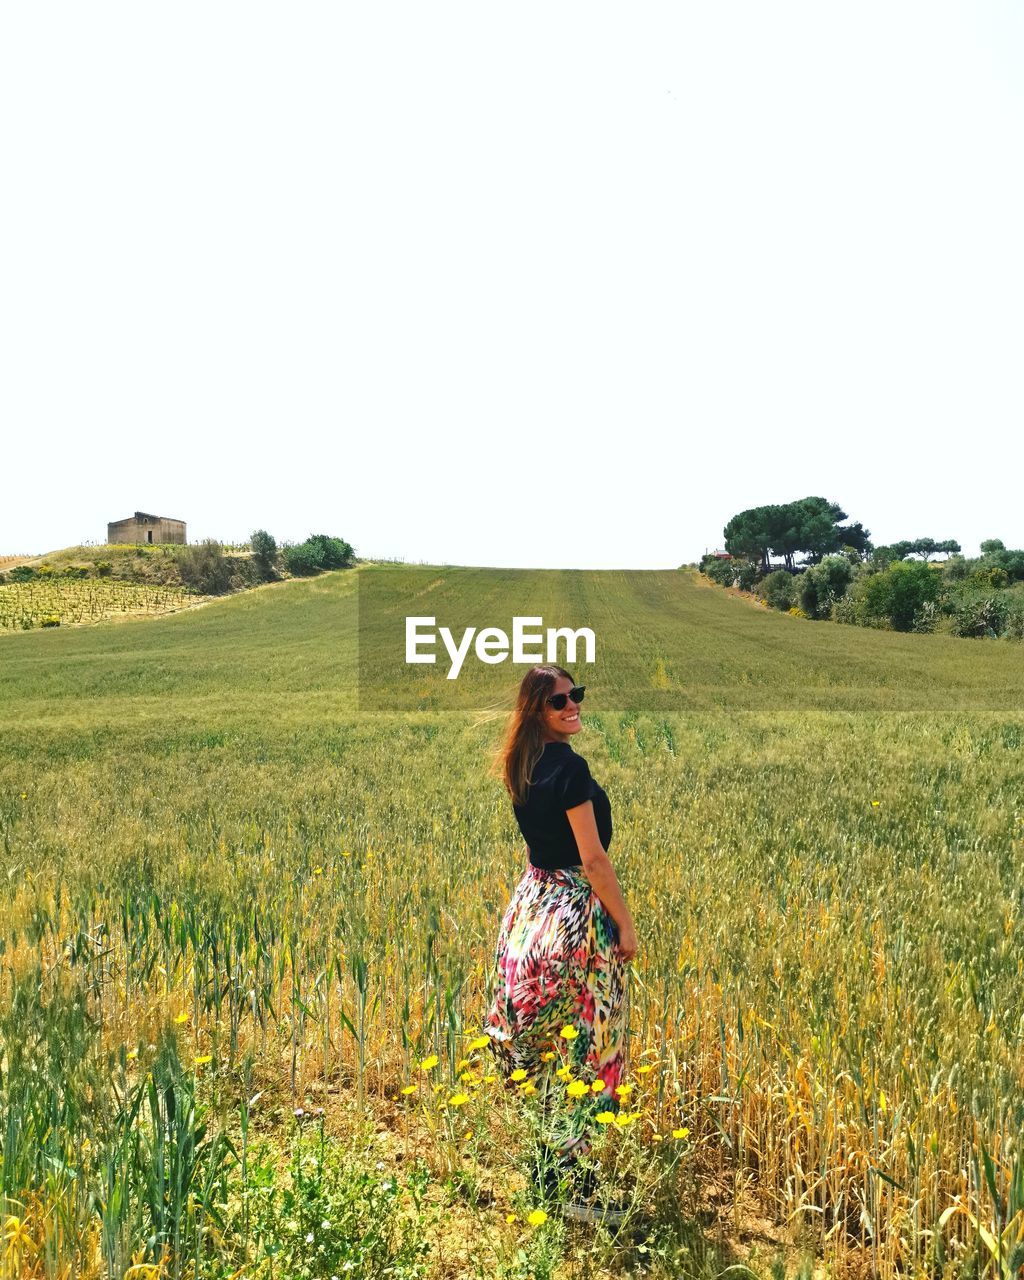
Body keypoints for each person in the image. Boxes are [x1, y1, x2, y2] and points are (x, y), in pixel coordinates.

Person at [482, 664, 638, 1215]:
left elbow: (534, 846)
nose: (573, 706)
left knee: (543, 1047)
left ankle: (547, 1171)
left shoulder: (519, 763)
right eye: (559, 701)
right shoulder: (569, 769)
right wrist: (624, 923)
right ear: (536, 711)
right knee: (588, 1043)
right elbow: (593, 860)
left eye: (577, 695)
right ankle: (575, 1189)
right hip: (574, 920)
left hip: (531, 913)